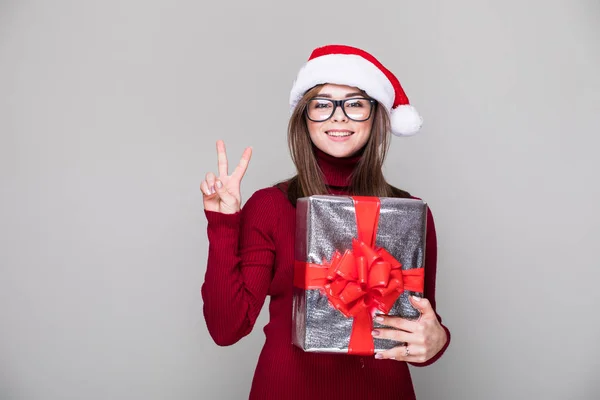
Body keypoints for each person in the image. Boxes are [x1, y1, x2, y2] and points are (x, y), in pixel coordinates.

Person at [200, 44, 450, 400]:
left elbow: (421, 330)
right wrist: (223, 223)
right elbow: (227, 329)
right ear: (304, 117)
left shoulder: (409, 212)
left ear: (375, 115)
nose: (339, 117)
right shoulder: (271, 206)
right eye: (322, 104)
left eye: (355, 103)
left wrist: (438, 339)